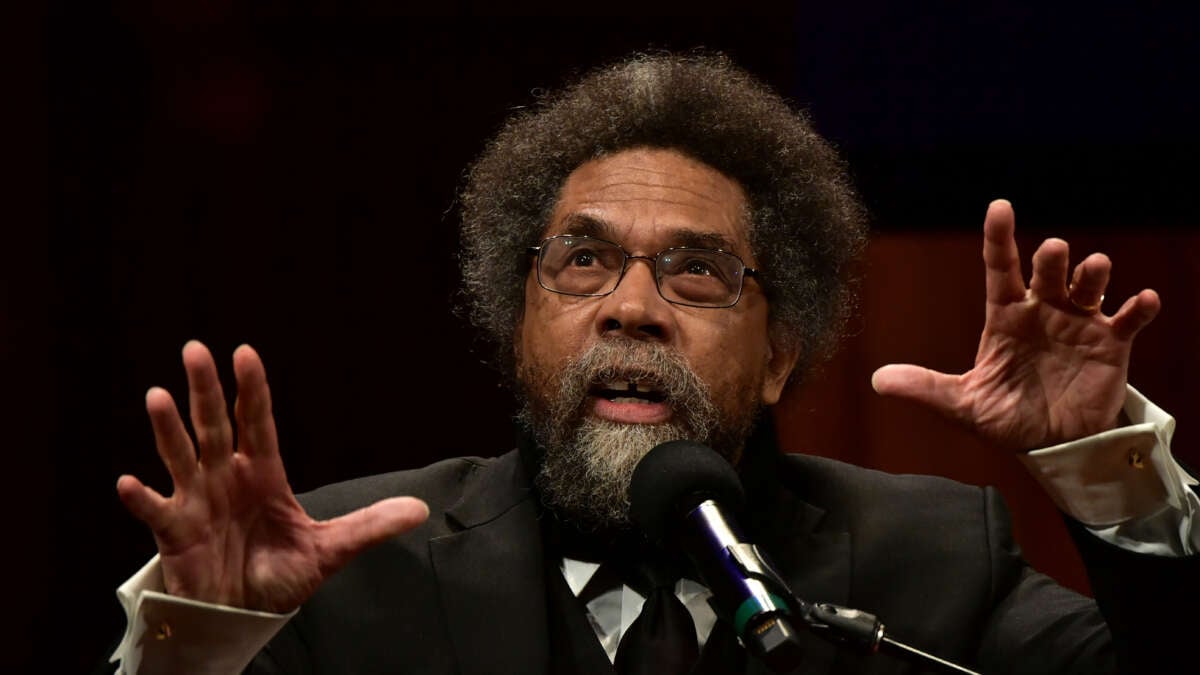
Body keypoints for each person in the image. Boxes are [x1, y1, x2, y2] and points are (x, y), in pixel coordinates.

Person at [109, 53, 1196, 674]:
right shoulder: (346, 575)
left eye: (697, 272)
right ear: (520, 316)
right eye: (583, 263)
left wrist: (1101, 465)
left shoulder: (934, 560)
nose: (632, 309)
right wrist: (200, 645)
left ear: (779, 354)